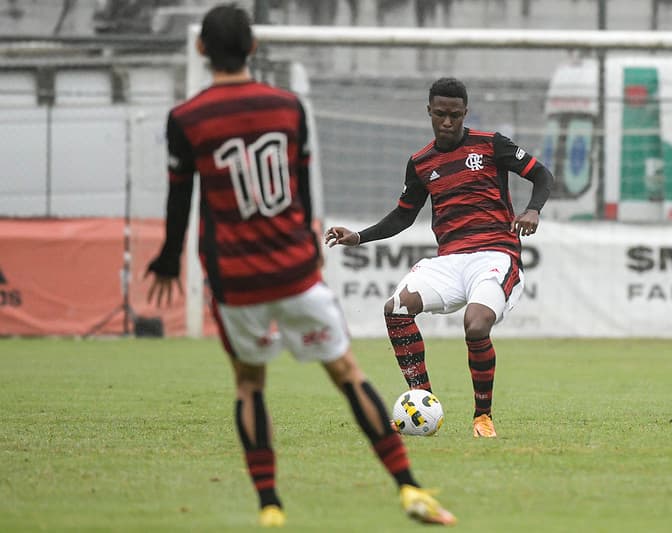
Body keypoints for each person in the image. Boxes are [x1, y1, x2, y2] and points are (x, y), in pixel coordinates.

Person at [144, 4, 455, 528]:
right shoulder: (289, 108)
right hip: (292, 268)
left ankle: (269, 506)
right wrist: (309, 253)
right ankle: (410, 491)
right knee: (346, 373)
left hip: (235, 278)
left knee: (249, 385)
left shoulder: (185, 119)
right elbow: (305, 196)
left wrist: (170, 260)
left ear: (201, 50)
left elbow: (181, 201)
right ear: (254, 48)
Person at [326, 77, 554, 439]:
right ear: (429, 112)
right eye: (440, 114)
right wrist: (358, 236)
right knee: (396, 309)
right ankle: (422, 399)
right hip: (448, 261)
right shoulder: (420, 163)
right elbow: (403, 216)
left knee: (476, 325)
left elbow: (542, 175)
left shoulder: (492, 145)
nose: (447, 122)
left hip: (495, 253)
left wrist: (533, 210)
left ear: (465, 112)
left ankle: (483, 418)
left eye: (454, 115)